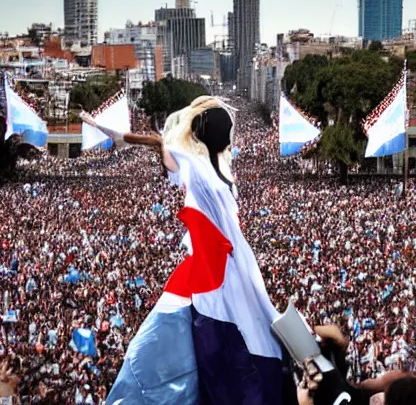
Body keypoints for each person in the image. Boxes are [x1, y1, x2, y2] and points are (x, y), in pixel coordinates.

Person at [81, 96, 297, 405]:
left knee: (148, 352)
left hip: (207, 278)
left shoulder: (197, 167)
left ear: (196, 135)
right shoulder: (226, 176)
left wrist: (103, 127)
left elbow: (156, 142)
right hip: (225, 272)